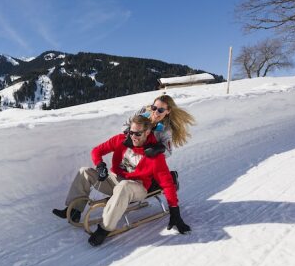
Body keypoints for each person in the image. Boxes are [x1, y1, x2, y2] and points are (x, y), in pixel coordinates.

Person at [53, 115, 191, 246]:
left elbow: (167, 184)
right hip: (115, 180)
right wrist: (100, 165)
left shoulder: (155, 156)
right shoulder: (121, 140)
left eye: (138, 133)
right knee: (85, 172)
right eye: (131, 132)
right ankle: (74, 211)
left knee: (124, 185)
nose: (133, 136)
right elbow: (96, 151)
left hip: (137, 187)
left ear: (147, 132)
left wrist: (175, 212)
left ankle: (105, 229)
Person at [122, 94, 195, 159]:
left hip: (145, 161)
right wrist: (128, 132)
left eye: (161, 110)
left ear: (168, 111)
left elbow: (168, 152)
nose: (156, 112)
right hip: (128, 156)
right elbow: (127, 123)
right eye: (154, 108)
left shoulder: (165, 130)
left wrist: (159, 149)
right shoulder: (143, 112)